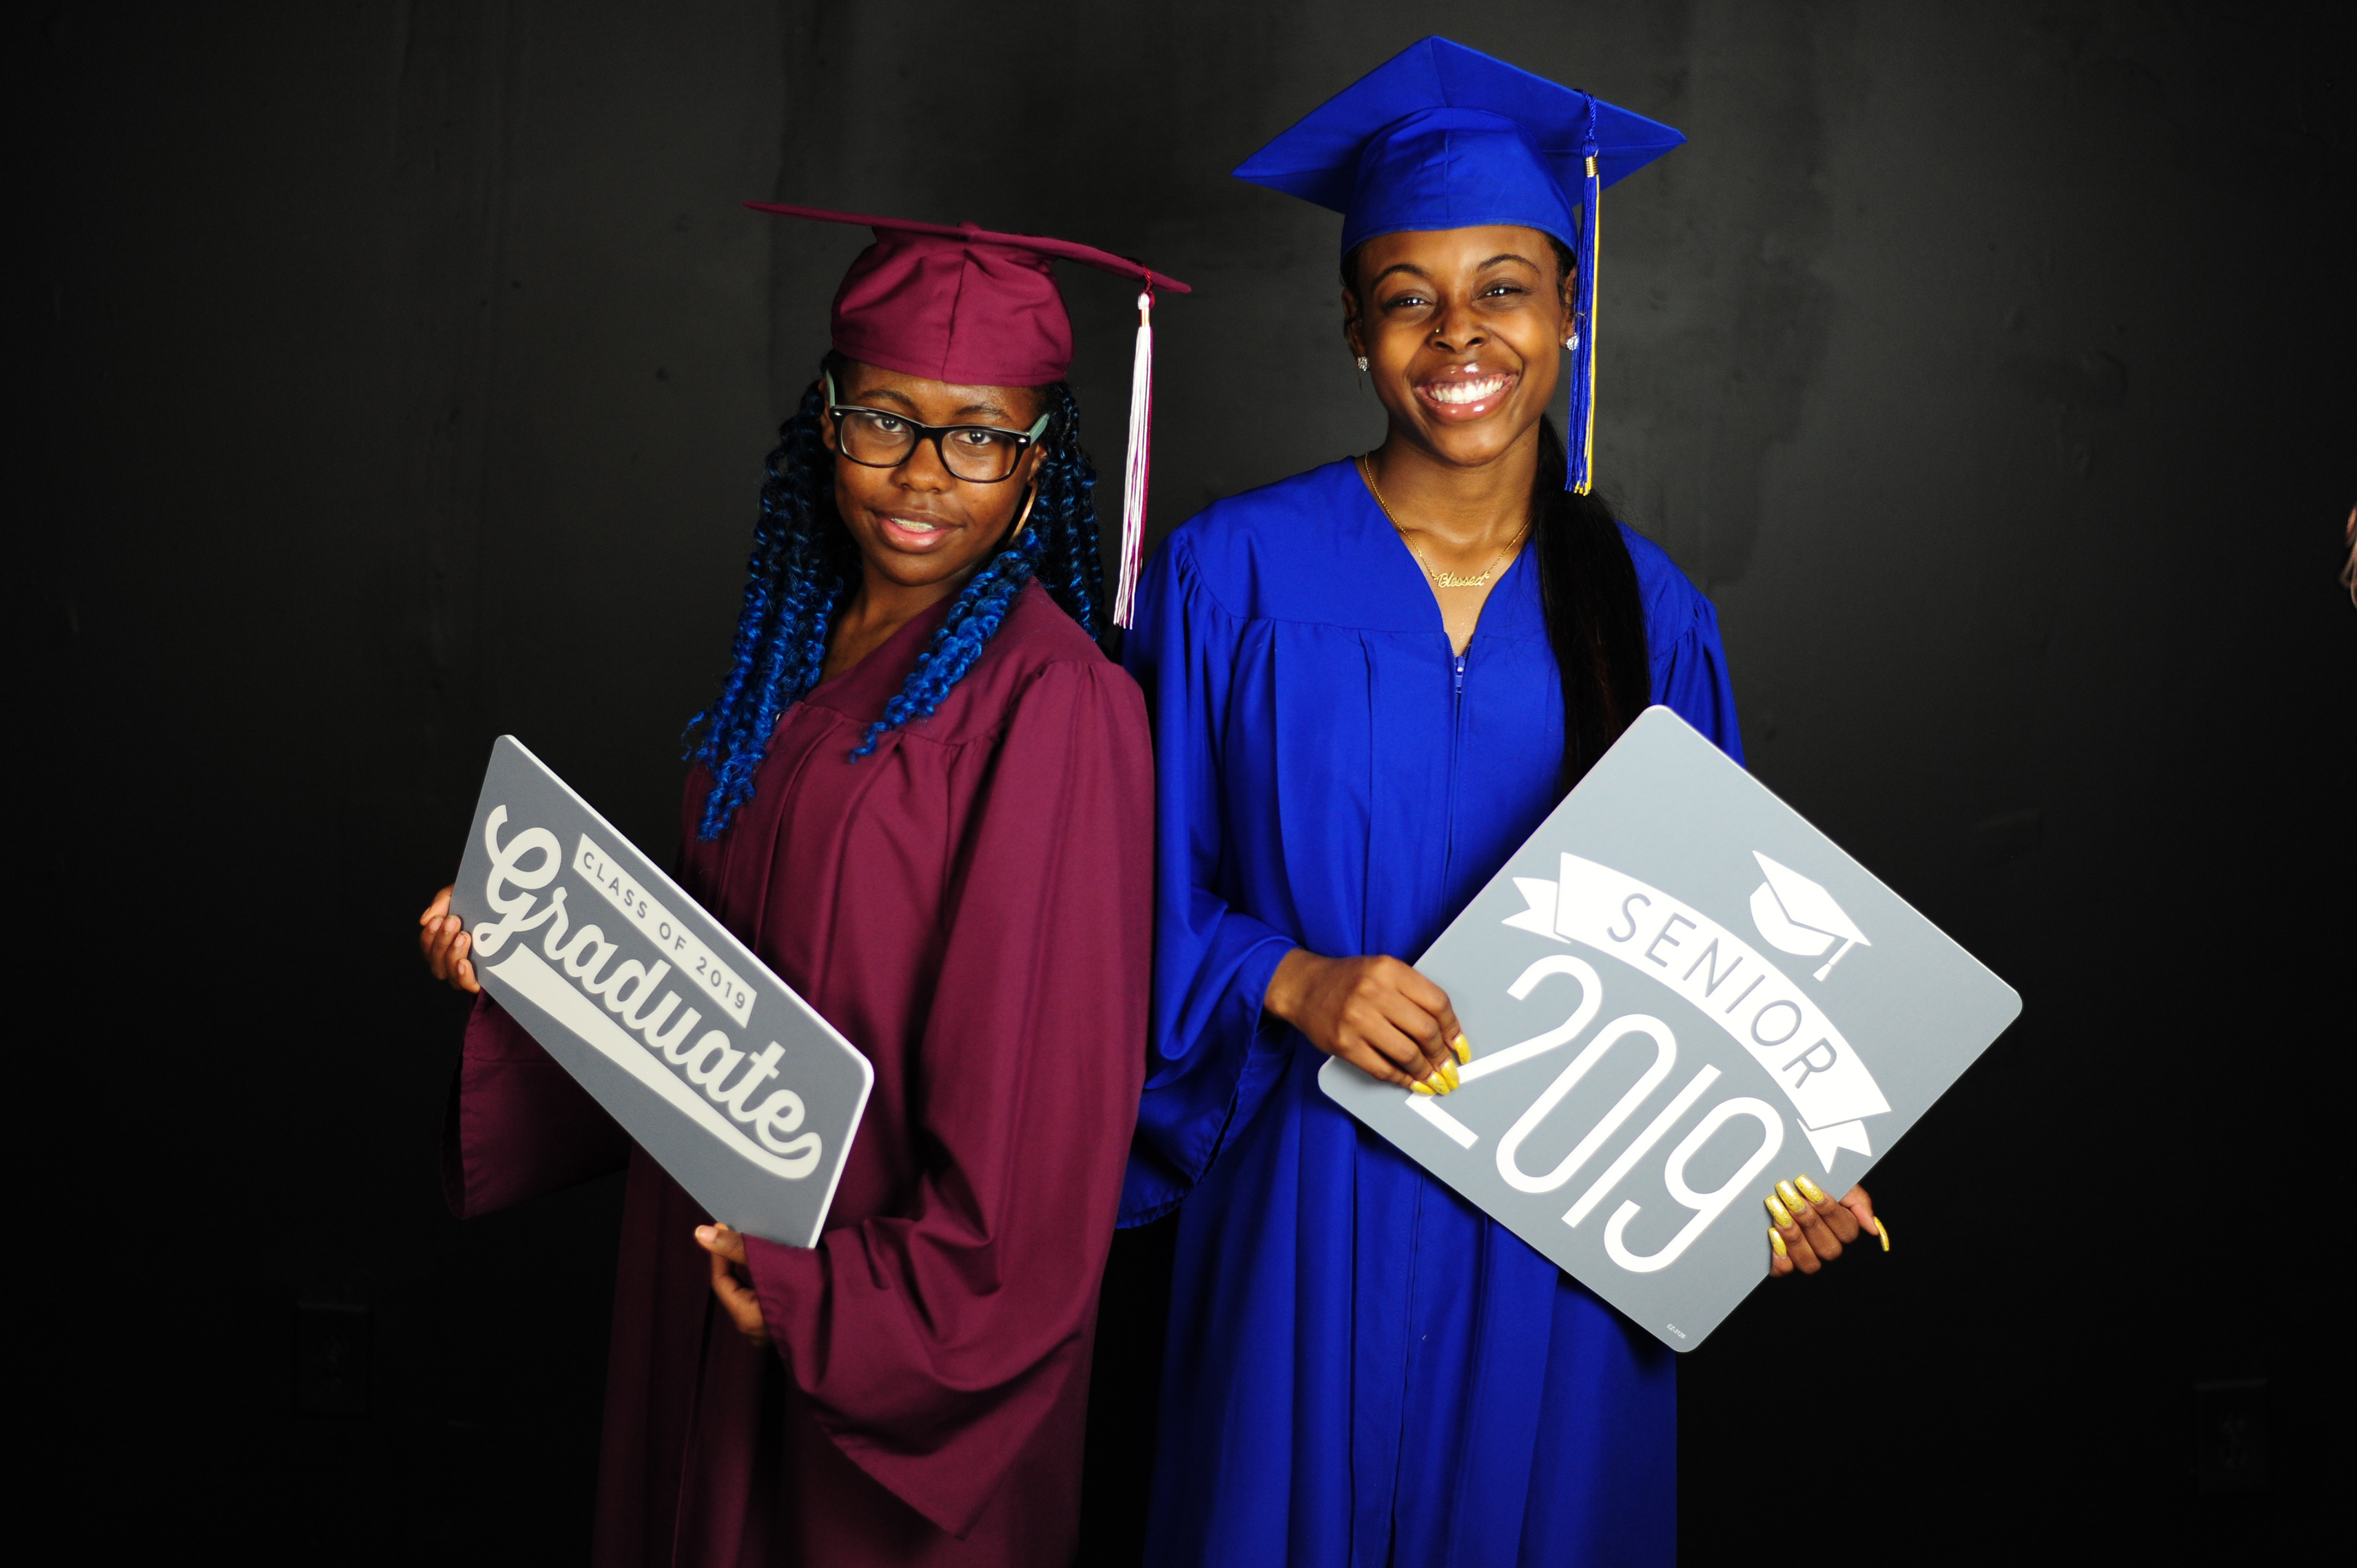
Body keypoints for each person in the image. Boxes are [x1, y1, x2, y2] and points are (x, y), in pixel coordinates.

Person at [1121, 39, 1879, 1566]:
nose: (1458, 332)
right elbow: (1120, 889)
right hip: (1300, 1197)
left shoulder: (1652, 615)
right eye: (1409, 296)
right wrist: (1289, 978)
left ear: (1570, 309)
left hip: (1559, 1225)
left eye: (1506, 288)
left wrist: (1781, 1169)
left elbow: (1713, 961)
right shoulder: (1231, 577)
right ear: (1354, 327)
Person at [416, 207, 1178, 1566]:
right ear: (826, 418)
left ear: (1038, 459)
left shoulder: (1055, 705)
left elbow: (1043, 1115)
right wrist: (533, 963)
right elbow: (712, 967)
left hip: (860, 1310)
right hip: (717, 1256)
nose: (922, 474)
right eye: (884, 419)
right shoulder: (794, 649)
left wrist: (852, 1309)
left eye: (979, 436)